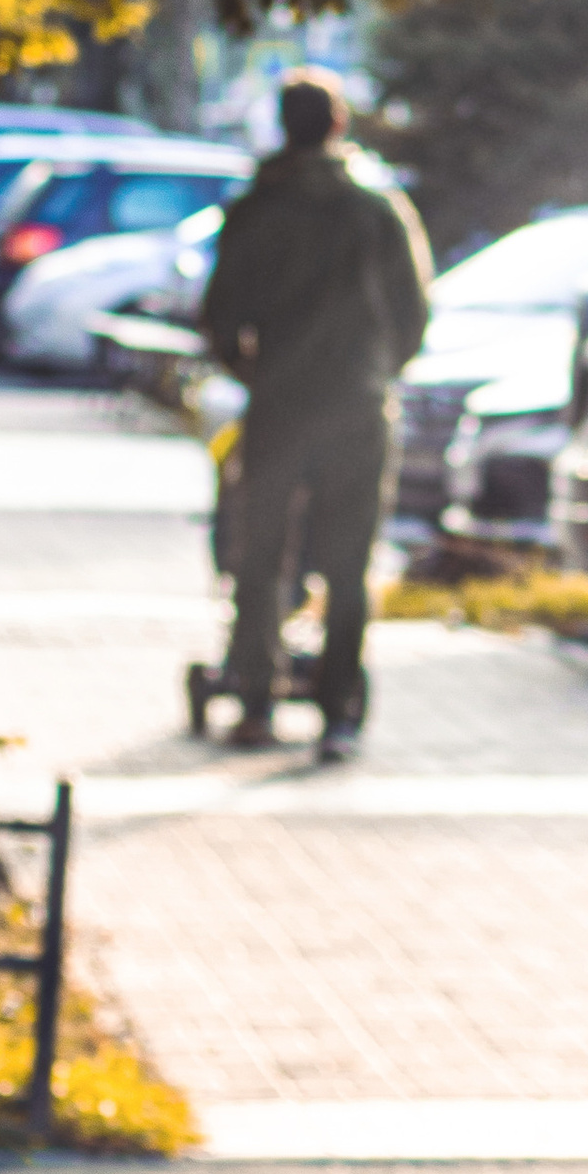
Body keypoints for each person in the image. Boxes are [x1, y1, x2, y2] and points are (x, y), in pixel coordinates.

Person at [200, 73, 432, 759]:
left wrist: (254, 371)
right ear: (338, 126)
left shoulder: (256, 209)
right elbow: (414, 313)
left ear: (283, 126)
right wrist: (379, 372)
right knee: (349, 561)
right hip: (358, 406)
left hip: (279, 403)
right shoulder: (377, 209)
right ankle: (338, 713)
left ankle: (255, 701)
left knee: (259, 554)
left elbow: (218, 316)